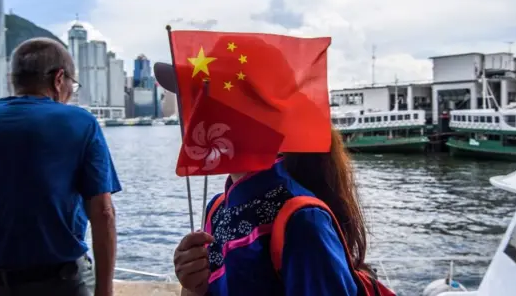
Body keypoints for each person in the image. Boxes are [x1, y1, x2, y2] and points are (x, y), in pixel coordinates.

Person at [154, 62, 370, 296]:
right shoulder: (216, 209)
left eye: (199, 97)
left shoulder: (303, 221)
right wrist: (192, 285)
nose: (185, 112)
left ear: (245, 114)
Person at [0, 37, 121, 296]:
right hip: (63, 284)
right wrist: (105, 292)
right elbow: (103, 213)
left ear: (15, 79)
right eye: (72, 85)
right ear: (59, 79)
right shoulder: (81, 123)